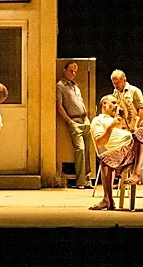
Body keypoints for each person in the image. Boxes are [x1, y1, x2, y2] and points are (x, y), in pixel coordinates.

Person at [55, 61, 93, 189]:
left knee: (87, 150)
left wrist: (87, 118)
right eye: (70, 71)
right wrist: (69, 121)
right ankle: (80, 181)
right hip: (74, 120)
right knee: (80, 149)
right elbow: (59, 106)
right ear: (64, 70)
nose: (73, 73)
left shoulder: (75, 86)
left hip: (84, 120)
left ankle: (87, 179)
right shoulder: (60, 86)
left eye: (75, 71)